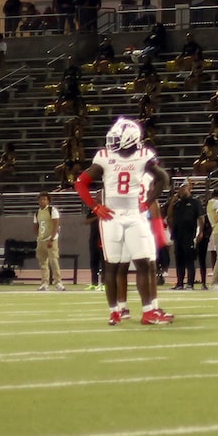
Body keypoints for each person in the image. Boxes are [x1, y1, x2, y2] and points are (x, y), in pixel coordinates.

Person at [80, 116, 173, 325]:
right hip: (114, 216)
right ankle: (117, 310)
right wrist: (95, 206)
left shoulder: (143, 156)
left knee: (143, 262)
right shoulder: (105, 157)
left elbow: (163, 178)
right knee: (114, 265)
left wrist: (148, 202)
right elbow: (81, 182)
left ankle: (147, 310)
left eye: (117, 138)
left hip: (134, 215)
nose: (112, 143)